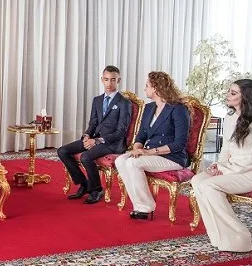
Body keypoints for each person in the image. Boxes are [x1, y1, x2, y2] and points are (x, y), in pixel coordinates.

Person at [191, 79, 252, 252]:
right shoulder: (229, 117)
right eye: (229, 91)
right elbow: (226, 147)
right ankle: (219, 236)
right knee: (198, 180)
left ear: (246, 97)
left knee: (210, 185)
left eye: (233, 93)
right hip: (232, 167)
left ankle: (240, 236)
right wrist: (218, 165)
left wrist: (226, 170)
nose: (228, 95)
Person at [115, 71, 190, 220]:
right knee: (120, 160)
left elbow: (179, 143)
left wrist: (149, 152)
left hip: (172, 156)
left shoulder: (178, 109)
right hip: (149, 152)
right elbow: (141, 134)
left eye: (147, 86)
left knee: (133, 163)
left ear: (155, 88)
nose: (145, 89)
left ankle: (145, 207)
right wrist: (137, 148)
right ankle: (139, 204)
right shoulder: (149, 108)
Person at [57, 66, 132, 204]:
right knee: (62, 151)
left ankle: (97, 190)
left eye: (113, 80)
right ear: (102, 80)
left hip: (113, 143)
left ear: (119, 80)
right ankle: (84, 184)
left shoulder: (124, 103)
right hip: (95, 138)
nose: (109, 83)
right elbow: (93, 123)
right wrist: (86, 135)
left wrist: (97, 141)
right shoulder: (97, 100)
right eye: (106, 79)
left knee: (86, 157)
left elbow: (121, 132)